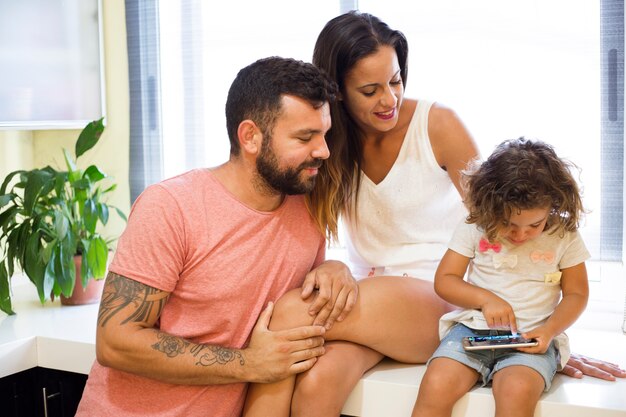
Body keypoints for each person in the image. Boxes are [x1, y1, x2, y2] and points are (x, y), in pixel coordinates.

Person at [244, 11, 626, 417]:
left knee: (290, 314)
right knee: (317, 382)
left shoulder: (437, 124)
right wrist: (334, 266)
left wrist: (547, 334)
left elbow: (507, 228)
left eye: (395, 80)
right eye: (370, 90)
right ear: (337, 92)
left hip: (440, 297)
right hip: (375, 301)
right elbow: (305, 234)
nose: (388, 99)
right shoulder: (327, 145)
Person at [75, 56, 361, 417]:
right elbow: (116, 342)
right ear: (250, 137)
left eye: (324, 134)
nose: (323, 151)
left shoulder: (306, 213)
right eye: (305, 137)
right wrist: (248, 364)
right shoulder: (171, 206)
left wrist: (335, 266)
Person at [412, 138, 590, 417]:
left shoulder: (563, 235)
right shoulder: (476, 225)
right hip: (472, 332)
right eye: (507, 223)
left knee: (516, 391)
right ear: (490, 205)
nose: (520, 235)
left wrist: (550, 330)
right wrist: (485, 299)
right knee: (436, 383)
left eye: (534, 225)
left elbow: (577, 294)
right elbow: (445, 279)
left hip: (530, 340)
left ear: (553, 204)